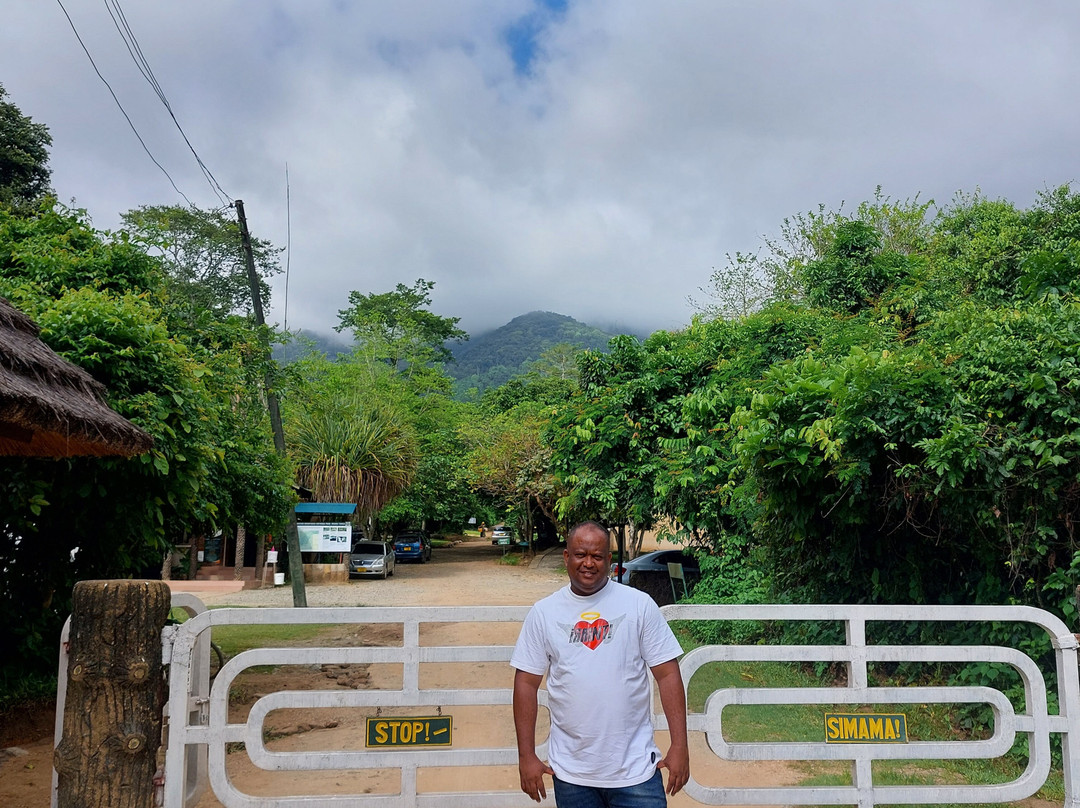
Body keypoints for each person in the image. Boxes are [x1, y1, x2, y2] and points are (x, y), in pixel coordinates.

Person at [511, 520, 689, 806]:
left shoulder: (639, 605)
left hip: (635, 773)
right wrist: (526, 755)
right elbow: (526, 683)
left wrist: (680, 746)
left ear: (609, 559)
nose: (588, 563)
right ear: (567, 556)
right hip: (572, 774)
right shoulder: (544, 613)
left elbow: (667, 674)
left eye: (596, 556)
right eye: (580, 554)